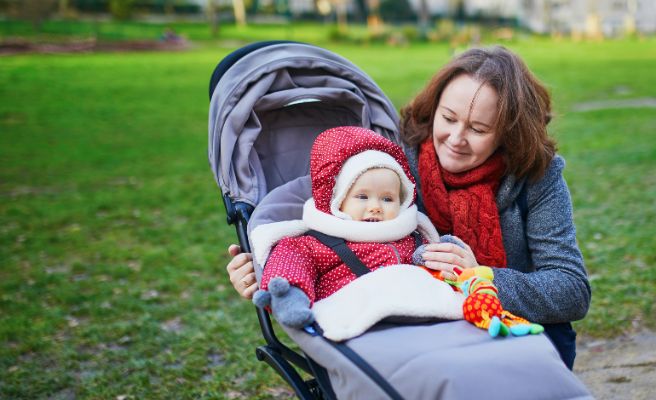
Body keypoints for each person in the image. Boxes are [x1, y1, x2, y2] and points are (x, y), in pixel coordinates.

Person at [226, 46, 591, 369]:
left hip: (513, 327)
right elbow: (328, 230)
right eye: (448, 118)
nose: (456, 139)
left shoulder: (535, 176)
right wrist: (262, 267)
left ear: (509, 133)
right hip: (415, 332)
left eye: (479, 129)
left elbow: (572, 289)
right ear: (434, 109)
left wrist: (483, 277)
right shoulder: (394, 165)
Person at [250, 126, 450, 334]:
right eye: (362, 197)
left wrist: (448, 256)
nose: (375, 206)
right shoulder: (317, 242)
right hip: (355, 319)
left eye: (387, 198)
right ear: (339, 200)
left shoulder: (410, 236)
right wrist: (291, 294)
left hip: (422, 312)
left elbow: (437, 263)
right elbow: (291, 261)